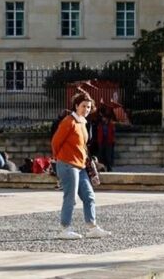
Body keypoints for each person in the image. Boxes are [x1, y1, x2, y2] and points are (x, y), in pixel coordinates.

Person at [51, 91, 111, 240]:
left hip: (81, 165)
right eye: (84, 106)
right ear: (76, 106)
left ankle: (92, 227)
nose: (86, 109)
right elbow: (55, 142)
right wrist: (60, 159)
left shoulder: (83, 123)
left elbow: (83, 145)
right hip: (68, 164)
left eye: (89, 107)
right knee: (70, 197)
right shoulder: (69, 121)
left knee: (89, 196)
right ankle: (65, 228)